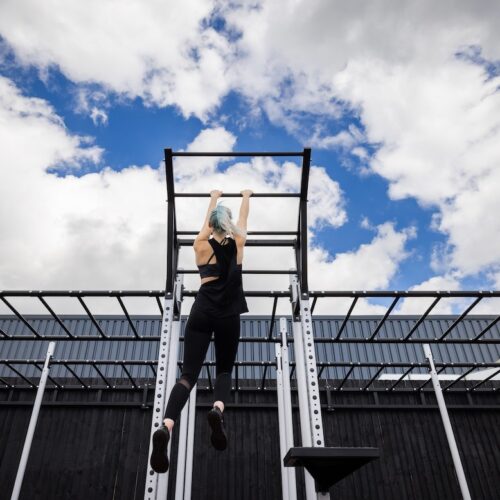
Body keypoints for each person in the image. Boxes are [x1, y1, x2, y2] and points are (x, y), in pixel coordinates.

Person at [150, 188, 253, 473]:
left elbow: (205, 224)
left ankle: (166, 426)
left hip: (202, 309)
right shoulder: (238, 242)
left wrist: (213, 198)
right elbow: (243, 221)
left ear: (211, 224)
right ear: (229, 225)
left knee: (187, 376)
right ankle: (217, 409)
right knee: (223, 370)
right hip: (228, 313)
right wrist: (246, 197)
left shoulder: (200, 244)